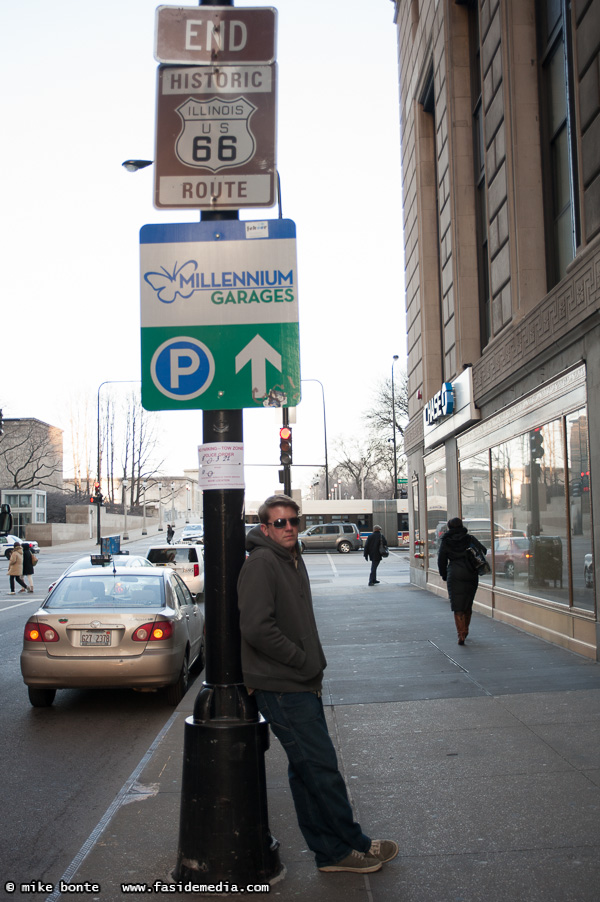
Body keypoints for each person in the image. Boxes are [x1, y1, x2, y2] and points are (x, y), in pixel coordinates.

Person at [237, 494, 398, 875]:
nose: (289, 526)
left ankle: (331, 853)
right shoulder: (262, 563)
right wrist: (300, 659)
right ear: (265, 528)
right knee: (321, 768)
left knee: (306, 770)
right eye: (280, 522)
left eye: (293, 520)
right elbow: (257, 628)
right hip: (282, 685)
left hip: (299, 680)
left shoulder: (291, 557)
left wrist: (311, 663)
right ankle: (354, 844)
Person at [437, 517, 487, 645]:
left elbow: (441, 560)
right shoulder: (469, 539)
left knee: (457, 605)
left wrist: (444, 575)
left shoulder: (446, 541)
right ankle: (466, 630)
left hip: (454, 573)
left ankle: (461, 634)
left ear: (449, 527)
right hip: (471, 573)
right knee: (467, 603)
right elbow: (483, 550)